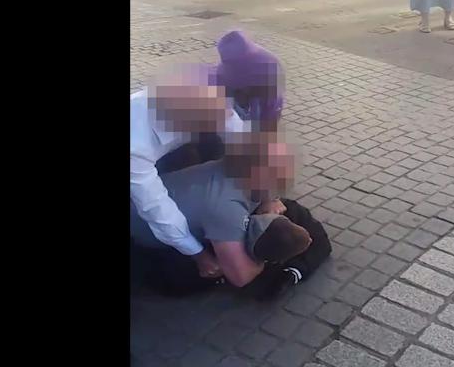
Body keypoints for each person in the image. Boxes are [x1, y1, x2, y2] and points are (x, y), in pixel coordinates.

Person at [130, 30, 285, 281]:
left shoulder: (214, 94)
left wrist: (269, 197)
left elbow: (245, 146)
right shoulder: (136, 147)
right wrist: (198, 255)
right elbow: (156, 209)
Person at [130, 139, 332, 297]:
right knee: (209, 272)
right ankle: (284, 270)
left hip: (178, 208)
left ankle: (293, 270)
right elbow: (241, 277)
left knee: (294, 214)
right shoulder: (225, 209)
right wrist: (264, 261)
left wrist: (272, 199)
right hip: (154, 239)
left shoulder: (237, 170)